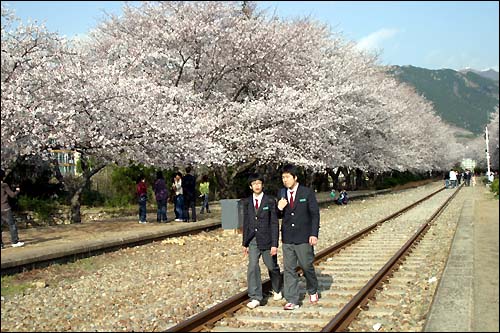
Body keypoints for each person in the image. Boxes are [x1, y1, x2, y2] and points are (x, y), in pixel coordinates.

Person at [277, 164, 320, 310]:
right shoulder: (281, 193)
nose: (285, 180)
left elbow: (315, 214)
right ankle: (292, 299)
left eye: (287, 177)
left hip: (304, 236)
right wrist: (279, 208)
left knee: (306, 265)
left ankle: (313, 288)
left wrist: (314, 234)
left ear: (295, 177)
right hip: (288, 237)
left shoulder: (306, 193)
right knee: (289, 269)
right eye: (283, 177)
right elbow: (276, 215)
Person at [242, 173, 282, 309]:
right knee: (252, 267)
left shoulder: (270, 201)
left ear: (262, 185)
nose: (257, 186)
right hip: (253, 239)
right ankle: (255, 296)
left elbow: (274, 223)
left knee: (271, 266)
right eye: (254, 184)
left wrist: (274, 244)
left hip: (267, 240)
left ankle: (277, 288)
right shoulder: (247, 202)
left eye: (259, 183)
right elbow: (246, 223)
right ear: (250, 186)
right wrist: (245, 243)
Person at [1, 169, 24, 248]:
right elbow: (12, 195)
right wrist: (17, 191)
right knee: (12, 225)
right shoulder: (4, 185)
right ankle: (15, 241)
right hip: (5, 208)